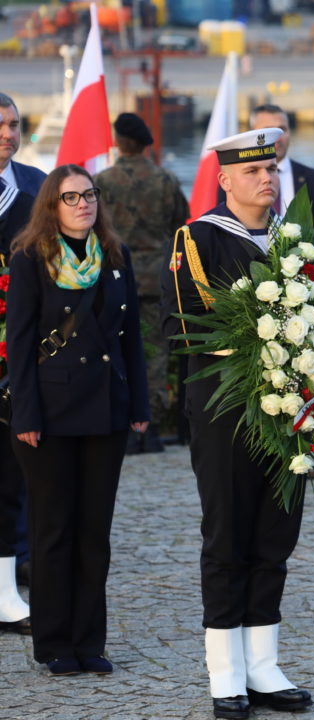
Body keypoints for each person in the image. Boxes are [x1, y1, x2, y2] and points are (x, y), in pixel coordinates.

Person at [160, 129, 313, 719]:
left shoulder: (294, 242)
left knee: (276, 534)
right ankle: (225, 672)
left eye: (271, 169)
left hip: (289, 409)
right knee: (228, 535)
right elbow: (187, 324)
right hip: (226, 410)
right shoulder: (198, 238)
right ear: (224, 180)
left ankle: (263, 665)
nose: (267, 179)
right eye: (252, 172)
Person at [7, 164, 149, 675]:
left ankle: (90, 642)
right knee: (52, 532)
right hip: (47, 414)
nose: (84, 204)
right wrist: (24, 412)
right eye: (71, 197)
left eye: (89, 195)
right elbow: (20, 343)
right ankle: (53, 644)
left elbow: (130, 337)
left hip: (105, 411)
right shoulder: (30, 258)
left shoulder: (115, 256)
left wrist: (139, 406)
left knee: (94, 532)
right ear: (52, 205)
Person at [95, 111, 189, 454]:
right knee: (154, 354)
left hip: (112, 277)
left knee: (112, 352)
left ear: (119, 141)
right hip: (156, 280)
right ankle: (148, 430)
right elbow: (182, 221)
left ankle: (118, 423)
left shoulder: (102, 180)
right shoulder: (165, 180)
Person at [0, 91, 47, 596]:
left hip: (28, 344)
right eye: (0, 126)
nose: (8, 134)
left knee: (24, 454)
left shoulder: (36, 185)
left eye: (14, 124)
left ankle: (25, 555)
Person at [218, 104, 314, 233]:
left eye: (282, 130)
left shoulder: (313, 178)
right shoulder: (234, 178)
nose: (277, 138)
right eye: (267, 131)